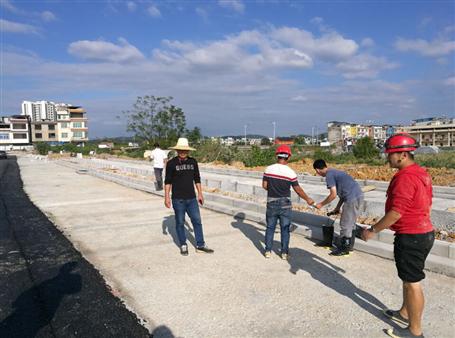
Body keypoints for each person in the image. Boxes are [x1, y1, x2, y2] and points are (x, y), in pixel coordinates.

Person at [362, 133, 434, 338]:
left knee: (413, 284)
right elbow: (426, 202)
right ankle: (404, 314)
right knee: (407, 278)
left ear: (402, 154)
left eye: (390, 155)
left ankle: (415, 331)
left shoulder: (405, 177)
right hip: (421, 232)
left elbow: (395, 212)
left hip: (412, 236)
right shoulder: (421, 173)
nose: (388, 158)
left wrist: (372, 230)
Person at [262, 145, 314, 259]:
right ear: (288, 157)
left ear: (277, 155)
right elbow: (298, 190)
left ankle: (267, 251)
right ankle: (284, 253)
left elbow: (264, 186)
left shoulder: (268, 169)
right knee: (285, 228)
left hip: (271, 202)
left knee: (270, 227)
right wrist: (308, 199)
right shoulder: (291, 172)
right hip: (285, 203)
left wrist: (273, 191)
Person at [164, 138, 214, 256]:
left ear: (188, 151)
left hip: (192, 198)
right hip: (178, 199)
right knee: (180, 222)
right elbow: (167, 181)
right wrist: (166, 197)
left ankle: (200, 245)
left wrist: (200, 193)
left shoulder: (193, 162)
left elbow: (197, 178)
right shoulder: (171, 164)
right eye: (180, 150)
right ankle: (183, 244)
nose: (182, 152)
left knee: (197, 221)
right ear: (177, 150)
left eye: (185, 150)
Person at [313, 159, 364, 256]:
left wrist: (321, 204)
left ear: (317, 170)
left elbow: (333, 194)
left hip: (352, 198)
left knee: (345, 223)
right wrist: (337, 208)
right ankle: (349, 246)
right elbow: (342, 195)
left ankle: (344, 249)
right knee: (350, 223)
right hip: (358, 196)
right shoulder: (335, 172)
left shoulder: (329, 175)